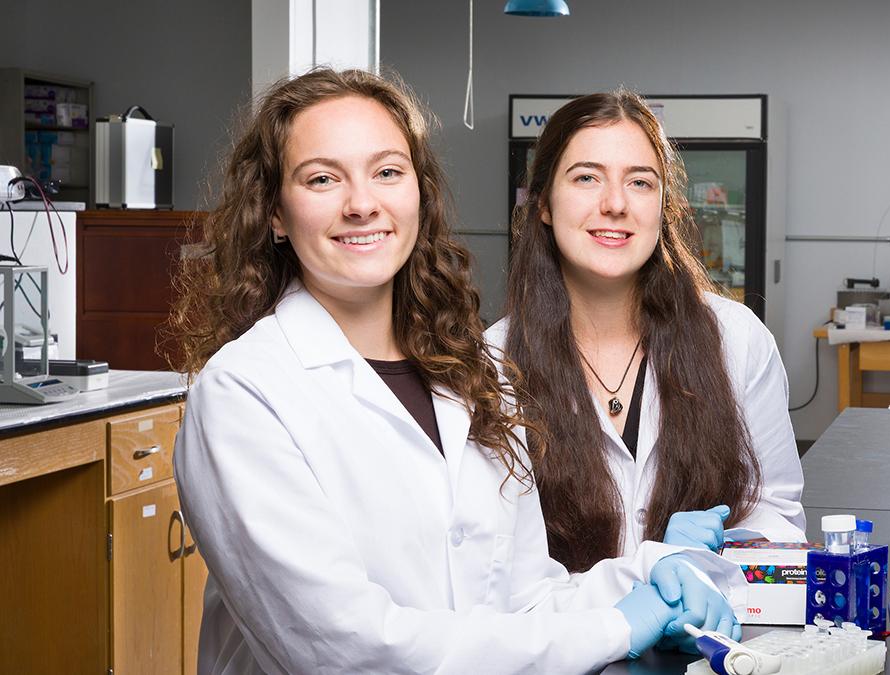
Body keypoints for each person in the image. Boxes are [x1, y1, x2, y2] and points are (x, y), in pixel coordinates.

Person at [169, 69, 742, 674]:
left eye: (388, 172)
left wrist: (646, 575)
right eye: (321, 179)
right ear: (275, 213)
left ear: (419, 193)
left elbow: (524, 603)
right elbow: (344, 648)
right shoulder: (245, 392)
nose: (362, 204)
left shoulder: (474, 373)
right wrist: (618, 626)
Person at [487, 91, 806, 575]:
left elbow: (776, 518)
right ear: (544, 205)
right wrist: (632, 592)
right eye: (587, 178)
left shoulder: (737, 340)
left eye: (639, 182)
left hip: (712, 642)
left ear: (663, 207)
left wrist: (706, 571)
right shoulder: (492, 363)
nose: (615, 203)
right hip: (565, 644)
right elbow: (494, 564)